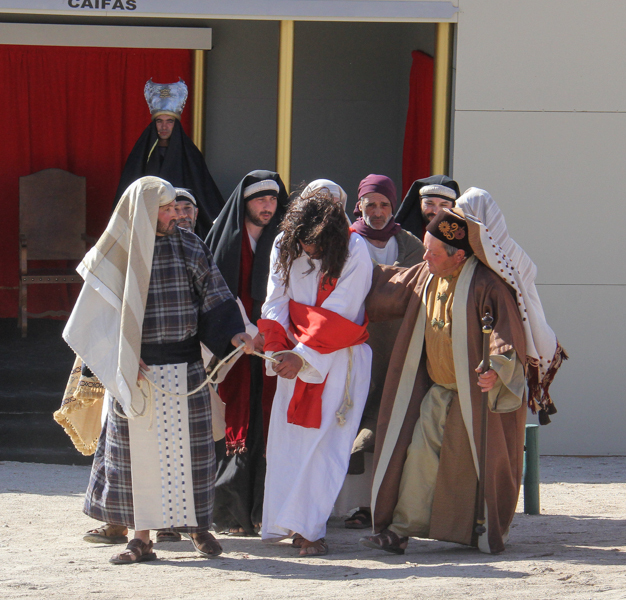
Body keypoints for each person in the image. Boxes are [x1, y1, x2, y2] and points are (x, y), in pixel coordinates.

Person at [64, 176, 254, 564]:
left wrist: (234, 334)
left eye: (174, 208)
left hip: (186, 367)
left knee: (194, 455)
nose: (174, 215)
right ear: (145, 211)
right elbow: (98, 316)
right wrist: (123, 355)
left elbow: (215, 295)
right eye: (166, 209)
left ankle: (198, 528)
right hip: (137, 370)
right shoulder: (117, 251)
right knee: (139, 460)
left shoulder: (190, 244)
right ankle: (141, 538)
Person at [360, 206, 566, 555]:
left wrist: (497, 369)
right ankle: (399, 531)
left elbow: (507, 333)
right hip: (438, 393)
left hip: (477, 400)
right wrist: (345, 266)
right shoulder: (426, 275)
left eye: (433, 252)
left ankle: (479, 531)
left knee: (472, 469)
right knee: (418, 459)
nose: (424, 257)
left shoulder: (487, 285)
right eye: (425, 248)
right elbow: (387, 284)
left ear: (458, 256)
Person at [258, 189, 373, 556]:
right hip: (293, 356)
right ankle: (285, 523)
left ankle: (310, 529)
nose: (310, 253)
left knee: (325, 448)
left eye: (317, 248)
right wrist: (277, 349)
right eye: (304, 247)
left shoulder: (355, 251)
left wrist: (302, 356)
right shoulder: (283, 243)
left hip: (338, 357)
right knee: (287, 444)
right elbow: (276, 299)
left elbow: (341, 312)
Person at [204, 171, 289, 536]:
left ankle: (264, 510)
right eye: (259, 199)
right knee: (237, 422)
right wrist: (243, 334)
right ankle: (232, 513)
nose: (267, 206)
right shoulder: (226, 243)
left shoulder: (285, 242)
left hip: (274, 345)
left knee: (270, 422)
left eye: (272, 200)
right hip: (237, 348)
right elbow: (215, 292)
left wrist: (267, 334)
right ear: (245, 203)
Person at [339, 174, 424, 530]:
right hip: (356, 345)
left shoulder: (411, 244)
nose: (377, 212)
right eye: (370, 204)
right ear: (359, 205)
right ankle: (352, 506)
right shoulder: (345, 242)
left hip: (398, 346)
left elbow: (424, 282)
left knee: (391, 420)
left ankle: (382, 506)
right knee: (352, 418)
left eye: (384, 205)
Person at [113, 79, 224, 239]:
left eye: (169, 121)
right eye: (159, 121)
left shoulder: (190, 156)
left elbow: (204, 194)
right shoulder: (142, 155)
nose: (164, 127)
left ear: (176, 124)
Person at [394, 175, 460, 239]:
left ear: (453, 205)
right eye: (429, 203)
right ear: (420, 201)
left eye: (443, 205)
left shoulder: (464, 238)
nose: (435, 211)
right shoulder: (401, 237)